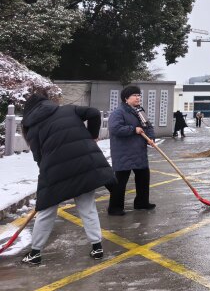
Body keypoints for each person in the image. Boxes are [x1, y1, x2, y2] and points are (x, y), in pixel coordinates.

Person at [19, 93, 115, 265]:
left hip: (55, 170)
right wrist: (92, 136)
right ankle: (97, 247)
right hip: (84, 165)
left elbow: (39, 157)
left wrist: (46, 177)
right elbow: (94, 113)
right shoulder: (68, 110)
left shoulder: (32, 128)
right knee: (87, 207)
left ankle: (35, 253)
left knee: (46, 210)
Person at [107, 85, 156, 215]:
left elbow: (148, 126)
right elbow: (115, 128)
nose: (138, 98)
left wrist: (151, 138)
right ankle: (115, 208)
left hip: (139, 152)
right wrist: (133, 129)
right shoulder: (119, 112)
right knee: (120, 182)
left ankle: (142, 203)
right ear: (126, 98)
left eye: (139, 95)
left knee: (143, 178)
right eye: (134, 95)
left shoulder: (140, 111)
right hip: (124, 153)